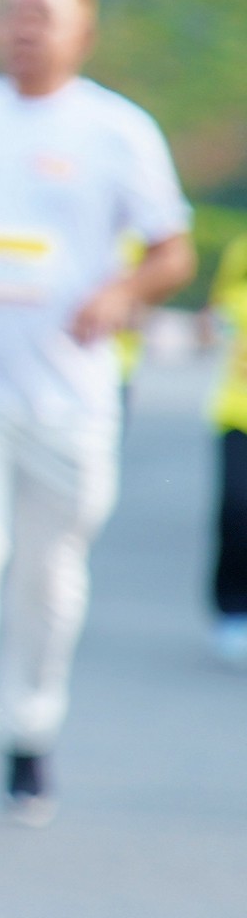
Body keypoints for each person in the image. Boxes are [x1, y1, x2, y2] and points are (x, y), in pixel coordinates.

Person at [0, 0, 196, 824]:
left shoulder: (117, 131)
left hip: (65, 396)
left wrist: (119, 295)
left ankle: (31, 726)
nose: (25, 26)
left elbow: (171, 251)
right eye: (12, 11)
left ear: (82, 34)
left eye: (44, 14)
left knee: (48, 575)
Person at [208, 231, 247, 669]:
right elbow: (218, 314)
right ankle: (232, 610)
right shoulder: (242, 249)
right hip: (237, 411)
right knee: (237, 512)